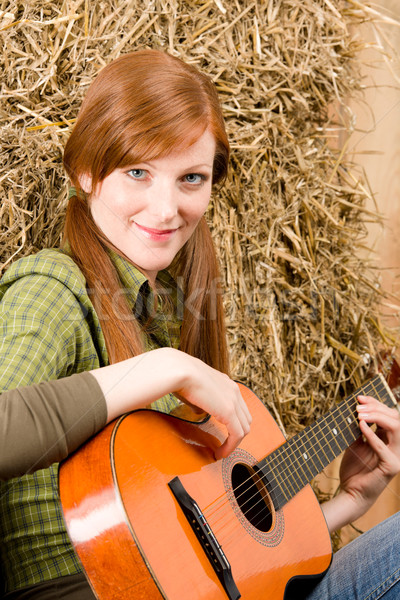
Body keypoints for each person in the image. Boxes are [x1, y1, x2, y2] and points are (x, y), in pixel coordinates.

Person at [0, 49, 399, 600]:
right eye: (138, 172)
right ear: (86, 171)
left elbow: (203, 560)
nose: (166, 209)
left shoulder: (161, 313)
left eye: (191, 178)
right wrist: (163, 368)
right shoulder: (52, 292)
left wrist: (345, 505)